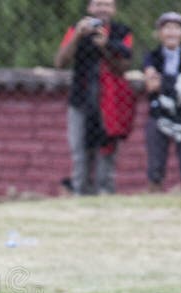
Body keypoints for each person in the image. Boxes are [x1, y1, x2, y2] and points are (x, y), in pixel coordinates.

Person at [55, 0, 135, 195]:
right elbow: (60, 62)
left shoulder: (122, 32)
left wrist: (106, 45)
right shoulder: (76, 29)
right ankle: (79, 192)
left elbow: (123, 68)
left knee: (106, 151)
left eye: (107, 4)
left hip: (109, 102)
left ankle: (105, 193)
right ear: (90, 8)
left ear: (114, 9)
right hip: (80, 99)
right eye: (98, 4)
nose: (102, 9)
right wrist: (77, 37)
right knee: (80, 151)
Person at [143, 12, 181, 193]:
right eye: (167, 28)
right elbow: (151, 84)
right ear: (160, 32)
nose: (172, 33)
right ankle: (155, 190)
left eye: (176, 28)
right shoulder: (152, 56)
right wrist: (180, 82)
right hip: (159, 111)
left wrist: (164, 81)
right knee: (156, 158)